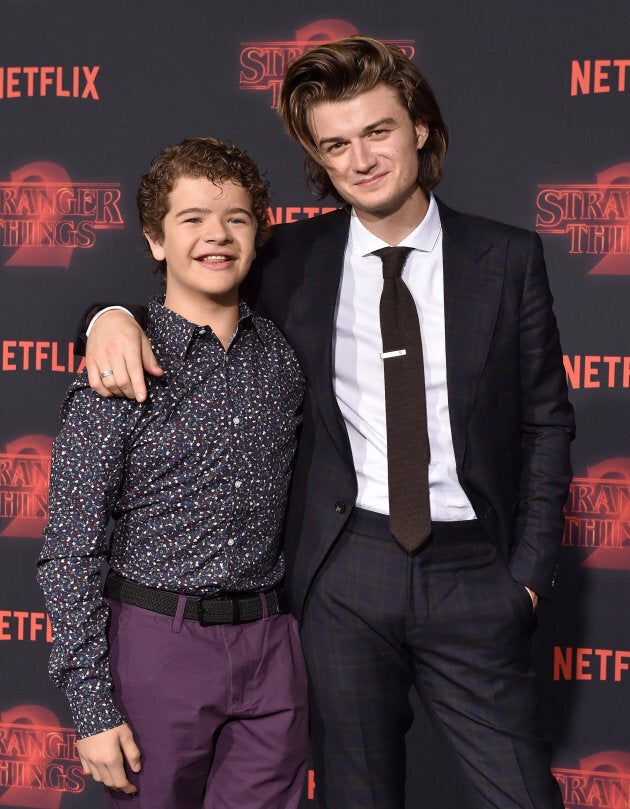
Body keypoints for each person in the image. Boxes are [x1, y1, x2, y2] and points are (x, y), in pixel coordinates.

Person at [80, 37, 575, 809]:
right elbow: (190, 277)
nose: (361, 158)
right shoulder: (288, 260)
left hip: (474, 574)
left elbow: (547, 425)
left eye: (376, 131)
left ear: (418, 127)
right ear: (319, 157)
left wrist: (527, 582)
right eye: (335, 143)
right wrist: (103, 317)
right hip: (343, 574)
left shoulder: (507, 260)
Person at [37, 137, 308, 809]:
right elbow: (70, 550)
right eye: (191, 219)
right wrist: (92, 707)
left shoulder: (282, 358)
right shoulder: (117, 369)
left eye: (236, 218)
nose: (215, 235)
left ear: (257, 233)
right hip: (160, 645)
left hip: (274, 647)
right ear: (156, 240)